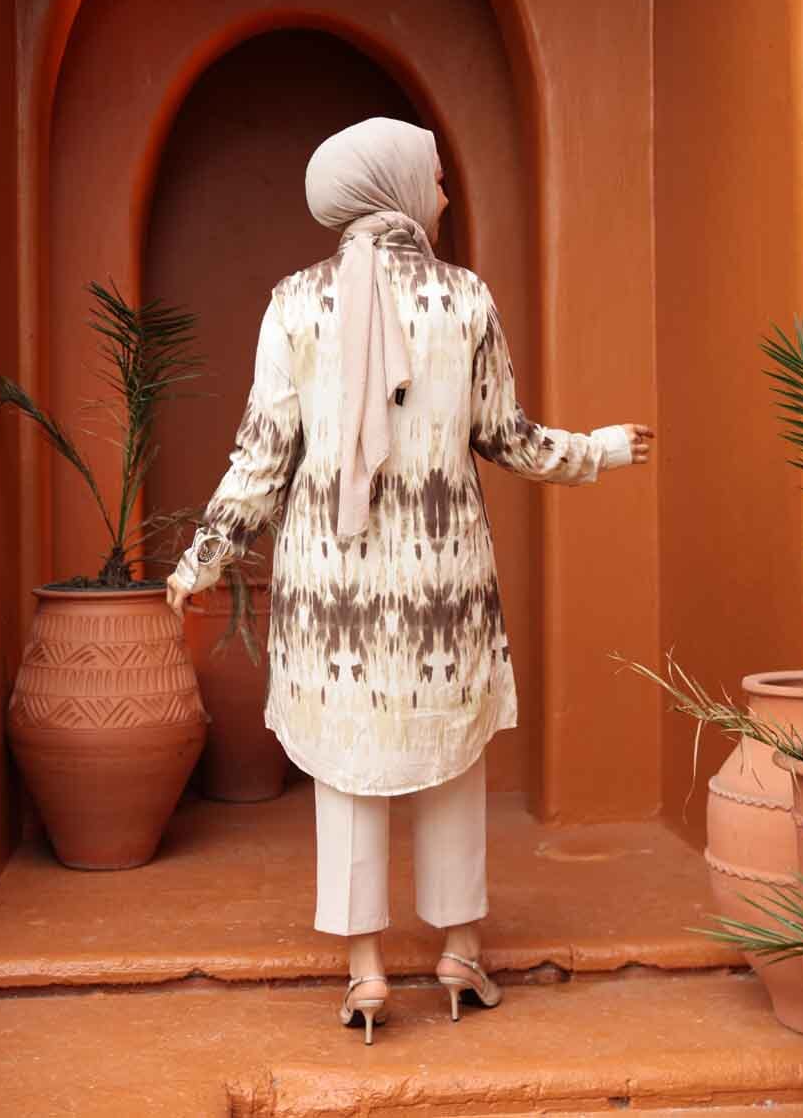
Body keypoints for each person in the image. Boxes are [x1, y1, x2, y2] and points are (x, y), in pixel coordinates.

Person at [166, 116, 654, 1044]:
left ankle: (366, 972)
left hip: (332, 592)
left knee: (346, 767)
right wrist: (600, 450)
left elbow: (261, 458)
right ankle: (461, 952)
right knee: (451, 760)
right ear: (393, 183)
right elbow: (509, 439)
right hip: (442, 584)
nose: (443, 193)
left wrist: (202, 559)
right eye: (433, 177)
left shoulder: (294, 305)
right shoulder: (464, 299)